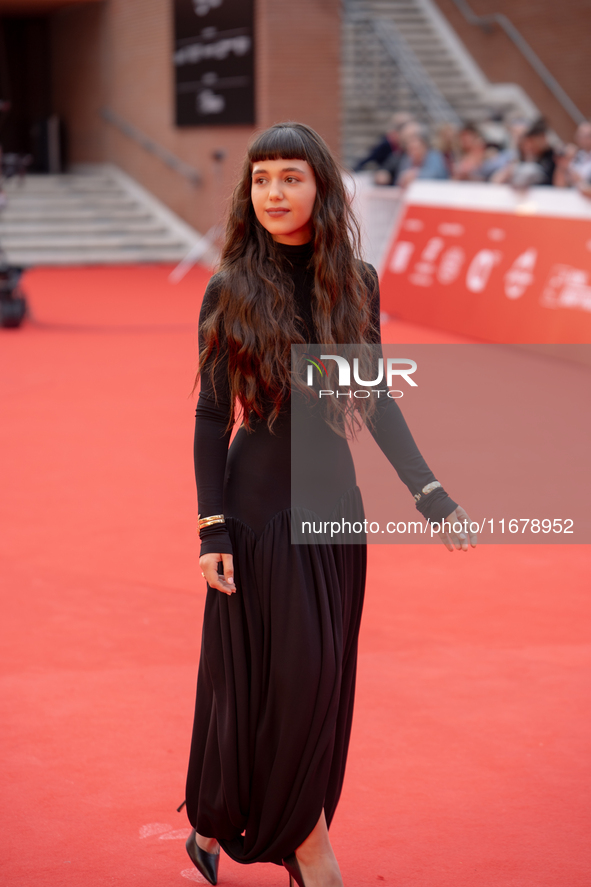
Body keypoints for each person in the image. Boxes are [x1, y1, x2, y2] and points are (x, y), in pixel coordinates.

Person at [182, 122, 476, 887]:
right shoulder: (230, 287)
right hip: (255, 513)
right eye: (261, 180)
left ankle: (215, 818)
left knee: (314, 683)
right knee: (279, 679)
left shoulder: (357, 282)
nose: (274, 193)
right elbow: (214, 417)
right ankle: (309, 851)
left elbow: (371, 397)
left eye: (290, 177)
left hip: (334, 507)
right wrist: (211, 527)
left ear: (320, 186)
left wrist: (429, 489)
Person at [395, 123, 449, 188]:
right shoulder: (407, 159)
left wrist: (416, 174)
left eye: (416, 148)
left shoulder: (434, 156)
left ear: (424, 147)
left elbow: (436, 175)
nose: (413, 152)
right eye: (410, 149)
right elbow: (399, 179)